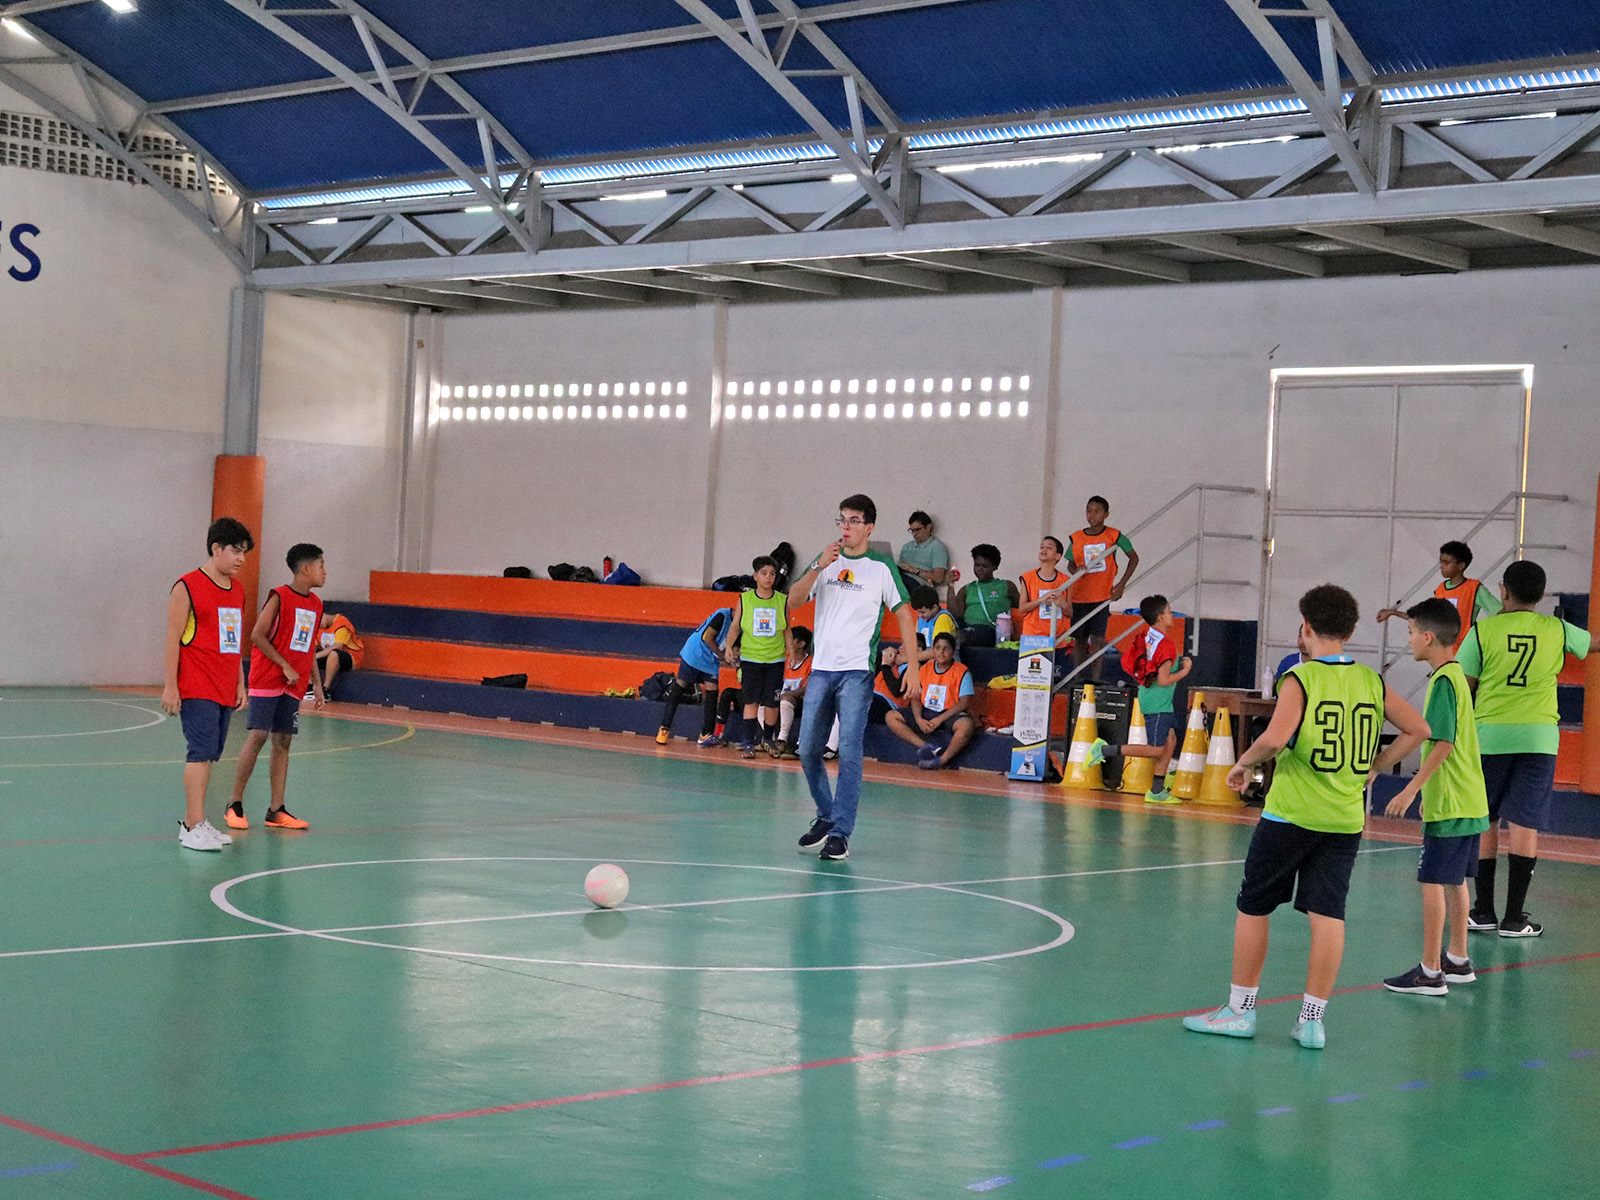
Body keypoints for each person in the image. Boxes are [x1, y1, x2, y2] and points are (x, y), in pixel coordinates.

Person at [1183, 584, 1428, 1050]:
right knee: (1328, 914)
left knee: (1254, 906)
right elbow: (1419, 729)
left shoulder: (1300, 678)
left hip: (1291, 815)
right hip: (1344, 819)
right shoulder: (1371, 681)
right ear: (1350, 632)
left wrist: (1243, 763)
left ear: (1306, 628)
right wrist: (1376, 766)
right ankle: (1312, 1020)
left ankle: (1240, 1010)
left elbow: (1276, 738)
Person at [787, 493, 921, 861]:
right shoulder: (825, 561)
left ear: (869, 527)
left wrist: (914, 667)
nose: (846, 526)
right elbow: (792, 601)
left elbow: (905, 614)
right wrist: (817, 567)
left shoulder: (881, 567)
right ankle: (826, 814)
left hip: (857, 672)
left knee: (848, 750)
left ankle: (841, 832)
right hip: (821, 669)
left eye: (854, 520)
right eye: (842, 519)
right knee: (807, 749)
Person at [1461, 559, 1591, 937]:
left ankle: (1483, 911)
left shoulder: (1482, 632)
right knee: (1525, 822)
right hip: (1538, 739)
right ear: (1541, 594)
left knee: (1485, 820)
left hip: (1489, 737)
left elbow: (1463, 687)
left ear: (1503, 591)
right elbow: (1593, 643)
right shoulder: (1556, 629)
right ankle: (1514, 918)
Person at [1380, 598, 1489, 995]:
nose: (1409, 639)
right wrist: (1432, 790)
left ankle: (1430, 970)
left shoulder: (1443, 681)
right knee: (1455, 880)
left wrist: (1411, 788)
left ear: (1427, 637)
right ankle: (1457, 959)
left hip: (1453, 802)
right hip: (1468, 797)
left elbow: (1443, 742)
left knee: (1432, 881)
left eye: (1410, 632)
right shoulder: (1457, 676)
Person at [160, 516, 253, 851]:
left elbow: (234, 641)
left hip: (225, 686)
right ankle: (191, 825)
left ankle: (199, 820)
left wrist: (240, 682)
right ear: (216, 549)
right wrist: (171, 686)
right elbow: (172, 638)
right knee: (199, 753)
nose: (241, 558)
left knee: (211, 755)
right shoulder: (187, 586)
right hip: (197, 685)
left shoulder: (238, 590)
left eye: (245, 552)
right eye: (236, 551)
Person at [225, 543, 326, 832]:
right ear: (305, 569)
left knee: (283, 741)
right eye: (321, 565)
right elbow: (257, 635)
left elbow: (310, 646)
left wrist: (317, 684)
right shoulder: (279, 597)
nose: (325, 572)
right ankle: (234, 804)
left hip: (294, 683)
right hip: (268, 677)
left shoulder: (317, 604)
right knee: (258, 735)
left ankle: (276, 810)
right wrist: (284, 665)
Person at [1088, 594, 1194, 803]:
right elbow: (1163, 680)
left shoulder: (1146, 636)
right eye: (1169, 612)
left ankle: (1157, 790)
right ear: (1161, 617)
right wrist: (1185, 671)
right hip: (1158, 701)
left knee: (1170, 741)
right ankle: (1105, 749)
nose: (1172, 615)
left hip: (1153, 696)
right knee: (1157, 749)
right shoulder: (1166, 645)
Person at [1377, 540, 1500, 653]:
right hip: (1444, 653)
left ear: (1461, 566)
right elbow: (1427, 617)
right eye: (1441, 562)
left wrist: (1482, 636)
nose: (1442, 566)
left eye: (1446, 563)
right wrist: (1393, 612)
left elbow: (1499, 613)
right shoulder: (1440, 590)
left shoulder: (1474, 589)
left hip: (1466, 652)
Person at [1066, 496, 1138, 680]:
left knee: (1097, 639)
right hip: (1080, 595)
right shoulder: (1076, 537)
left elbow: (1134, 558)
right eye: (1089, 511)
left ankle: (1095, 680)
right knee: (1080, 639)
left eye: (1097, 511)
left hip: (1101, 595)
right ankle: (1077, 678)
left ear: (1106, 514)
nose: (1092, 515)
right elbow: (1070, 565)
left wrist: (1121, 584)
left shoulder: (1114, 535)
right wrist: (1076, 570)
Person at [724, 555, 789, 758]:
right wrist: (729, 646)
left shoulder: (782, 600)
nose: (768, 577)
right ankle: (748, 743)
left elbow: (787, 629)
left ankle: (767, 739)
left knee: (772, 702)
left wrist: (791, 652)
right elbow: (735, 626)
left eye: (772, 574)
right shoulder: (745, 599)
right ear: (755, 576)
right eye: (764, 573)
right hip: (751, 659)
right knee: (750, 701)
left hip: (775, 659)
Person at [885, 631, 977, 770]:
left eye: (946, 648)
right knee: (891, 716)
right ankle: (926, 747)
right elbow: (916, 696)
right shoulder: (924, 669)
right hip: (926, 711)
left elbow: (964, 702)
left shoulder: (962, 672)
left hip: (949, 714)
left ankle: (941, 760)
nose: (941, 652)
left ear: (953, 651)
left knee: (966, 726)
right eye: (938, 648)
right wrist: (918, 718)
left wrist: (940, 719)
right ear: (933, 650)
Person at [655, 605, 733, 747]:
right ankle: (664, 728)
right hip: (695, 652)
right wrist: (722, 655)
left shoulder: (743, 626)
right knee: (680, 685)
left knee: (712, 690)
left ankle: (706, 734)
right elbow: (708, 638)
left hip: (711, 660)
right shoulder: (722, 616)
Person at [774, 626, 838, 760]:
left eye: (790, 639)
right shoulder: (783, 659)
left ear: (801, 644)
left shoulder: (814, 662)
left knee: (813, 702)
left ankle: (805, 745)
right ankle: (778, 741)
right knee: (763, 702)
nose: (786, 642)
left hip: (805, 699)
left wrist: (789, 695)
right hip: (786, 697)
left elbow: (809, 687)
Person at [950, 543, 1018, 648]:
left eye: (984, 566)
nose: (980, 569)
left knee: (961, 637)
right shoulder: (966, 589)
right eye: (977, 565)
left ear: (995, 566)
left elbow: (1021, 607)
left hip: (993, 631)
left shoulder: (1006, 586)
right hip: (968, 629)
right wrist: (950, 587)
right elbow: (956, 614)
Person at [1017, 537, 1072, 651]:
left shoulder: (1066, 581)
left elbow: (1070, 613)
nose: (1043, 550)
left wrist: (1063, 604)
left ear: (1058, 556)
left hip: (1058, 638)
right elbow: (1022, 608)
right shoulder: (1027, 578)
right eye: (1042, 547)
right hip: (1033, 638)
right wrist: (1041, 599)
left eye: (1049, 548)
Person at [897, 510, 950, 593]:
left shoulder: (937, 547)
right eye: (912, 530)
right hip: (902, 579)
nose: (914, 534)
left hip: (920, 585)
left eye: (918, 530)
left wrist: (915, 571)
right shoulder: (907, 546)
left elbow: (938, 577)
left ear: (928, 527)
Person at [315, 611, 364, 699]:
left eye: (318, 622)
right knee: (307, 657)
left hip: (351, 656)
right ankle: (310, 688)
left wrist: (315, 656)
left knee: (334, 654)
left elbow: (338, 646)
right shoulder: (317, 628)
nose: (319, 626)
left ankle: (326, 689)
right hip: (328, 655)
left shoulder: (341, 622)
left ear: (323, 615)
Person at [910, 585, 959, 664]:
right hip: (925, 660)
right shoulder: (921, 619)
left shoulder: (943, 619)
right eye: (918, 612)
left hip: (944, 663)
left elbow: (936, 652)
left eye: (923, 612)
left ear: (934, 607)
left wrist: (906, 658)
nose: (919, 615)